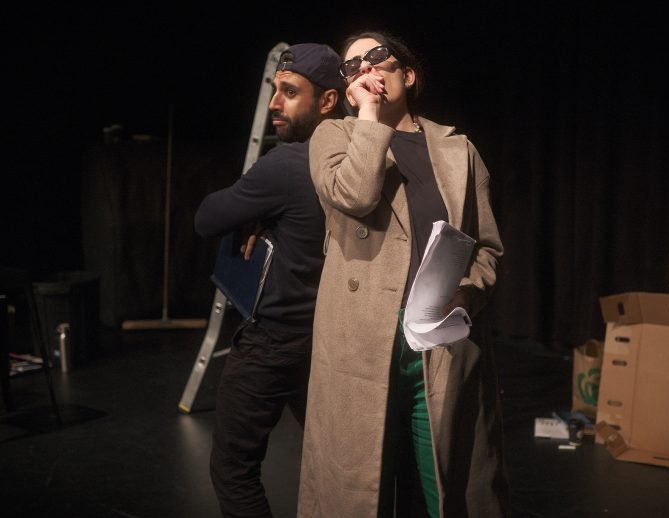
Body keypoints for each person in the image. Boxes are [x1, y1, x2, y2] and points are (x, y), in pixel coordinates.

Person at [297, 31, 510, 517]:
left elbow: (488, 247)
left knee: (444, 489)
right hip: (359, 342)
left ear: (408, 75)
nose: (365, 69)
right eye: (352, 67)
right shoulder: (334, 137)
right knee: (358, 492)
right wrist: (368, 117)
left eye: (377, 57)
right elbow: (355, 196)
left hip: (437, 340)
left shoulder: (458, 149)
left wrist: (466, 296)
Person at [194, 42, 344, 518]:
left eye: (290, 92)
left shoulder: (285, 165)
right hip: (328, 341)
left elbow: (206, 217)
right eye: (275, 90)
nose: (275, 104)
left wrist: (252, 214)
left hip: (274, 343)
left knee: (233, 471)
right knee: (339, 466)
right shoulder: (355, 160)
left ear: (328, 101)